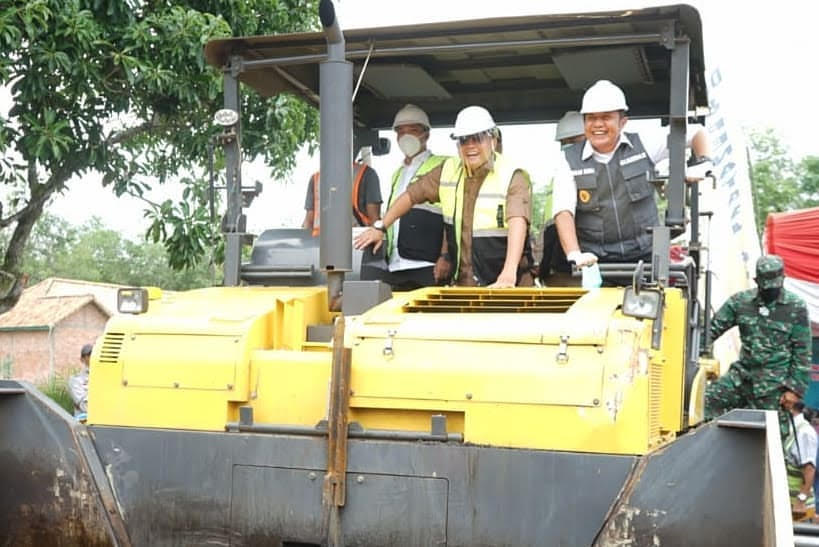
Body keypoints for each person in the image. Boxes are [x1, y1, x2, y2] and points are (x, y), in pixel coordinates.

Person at [355, 105, 533, 288]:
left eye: (477, 138)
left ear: (492, 139)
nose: (470, 146)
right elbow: (411, 195)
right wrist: (381, 226)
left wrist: (508, 273)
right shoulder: (448, 170)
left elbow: (517, 222)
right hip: (466, 283)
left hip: (509, 285)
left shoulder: (512, 176)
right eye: (464, 140)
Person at [551, 79, 711, 267]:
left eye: (606, 117)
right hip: (596, 262)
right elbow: (563, 211)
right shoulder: (568, 160)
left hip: (648, 257)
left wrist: (704, 162)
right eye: (591, 118)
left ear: (623, 122)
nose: (598, 124)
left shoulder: (644, 143)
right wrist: (574, 254)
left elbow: (697, 133)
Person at [705, 255, 812, 421]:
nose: (771, 291)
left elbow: (803, 353)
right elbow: (710, 331)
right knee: (703, 404)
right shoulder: (740, 302)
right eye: (766, 287)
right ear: (756, 281)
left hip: (774, 386)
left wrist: (794, 390)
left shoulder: (796, 307)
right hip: (741, 378)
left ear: (783, 278)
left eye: (774, 287)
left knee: (772, 436)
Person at [382, 104, 450, 290]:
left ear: (426, 134)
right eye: (401, 132)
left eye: (413, 130)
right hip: (395, 265)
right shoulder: (397, 174)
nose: (406, 136)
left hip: (428, 263)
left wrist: (445, 256)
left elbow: (451, 215)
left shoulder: (443, 165)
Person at [539, 111, 585, 283]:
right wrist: (544, 268)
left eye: (574, 141)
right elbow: (550, 232)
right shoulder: (561, 177)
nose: (569, 147)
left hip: (587, 267)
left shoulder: (592, 176)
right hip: (561, 269)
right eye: (564, 142)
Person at [302, 160, 382, 235]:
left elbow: (374, 222)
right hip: (320, 245)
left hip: (354, 245)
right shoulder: (315, 178)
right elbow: (309, 221)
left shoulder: (366, 174)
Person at [781, 389, 817, 521]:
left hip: (799, 509)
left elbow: (809, 468)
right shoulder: (791, 427)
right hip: (788, 504)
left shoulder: (805, 432)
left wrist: (801, 500)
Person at [68, 343, 92, 421]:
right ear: (82, 359)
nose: (91, 357)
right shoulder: (76, 381)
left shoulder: (105, 378)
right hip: (85, 425)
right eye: (88, 355)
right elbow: (85, 406)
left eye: (92, 354)